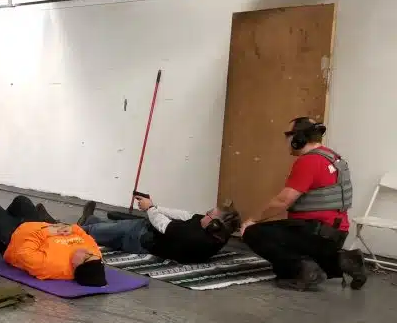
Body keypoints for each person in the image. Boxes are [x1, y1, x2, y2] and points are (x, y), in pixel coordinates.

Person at [240, 116, 368, 291]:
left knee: (253, 233)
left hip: (317, 232)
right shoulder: (332, 156)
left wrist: (253, 220)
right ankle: (347, 261)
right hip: (335, 234)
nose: (287, 139)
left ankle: (303, 272)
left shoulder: (309, 161)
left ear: (298, 138)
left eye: (289, 134)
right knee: (294, 244)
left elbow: (283, 201)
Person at [0, 195, 107, 286]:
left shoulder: (49, 267)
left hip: (14, 240)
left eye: (85, 257)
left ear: (76, 266)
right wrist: (71, 228)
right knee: (22, 201)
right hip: (36, 227)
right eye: (92, 254)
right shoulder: (93, 254)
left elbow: (23, 252)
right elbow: (84, 234)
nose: (87, 252)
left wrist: (47, 232)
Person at [78, 196, 241, 263]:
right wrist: (155, 207)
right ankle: (91, 220)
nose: (204, 215)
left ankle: (62, 226)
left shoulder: (195, 238)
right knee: (106, 230)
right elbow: (187, 215)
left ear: (214, 224)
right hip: (144, 240)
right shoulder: (217, 234)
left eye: (209, 215)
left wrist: (150, 209)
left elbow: (163, 225)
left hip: (141, 236)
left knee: (88, 232)